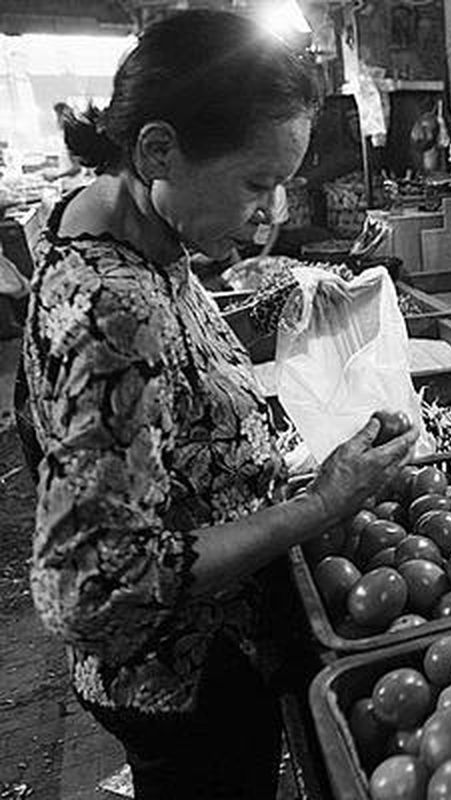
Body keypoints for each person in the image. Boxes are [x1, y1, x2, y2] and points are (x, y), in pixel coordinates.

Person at [19, 11, 419, 798]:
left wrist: (292, 306)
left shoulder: (121, 223)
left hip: (202, 659)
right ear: (159, 148)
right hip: (183, 676)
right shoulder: (113, 306)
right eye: (255, 185)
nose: (270, 215)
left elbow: (160, 385)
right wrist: (321, 503)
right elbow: (93, 585)